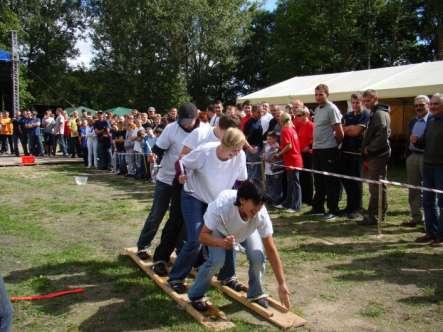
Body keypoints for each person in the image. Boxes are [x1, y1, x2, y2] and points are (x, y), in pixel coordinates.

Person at [187, 181, 291, 311]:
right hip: (220, 231)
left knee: (258, 256)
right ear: (242, 200)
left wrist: (281, 283)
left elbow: (270, 249)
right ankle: (196, 295)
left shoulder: (260, 213)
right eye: (255, 204)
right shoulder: (221, 205)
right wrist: (222, 243)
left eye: (261, 204)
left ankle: (256, 292)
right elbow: (202, 236)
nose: (258, 209)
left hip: (247, 232)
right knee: (217, 261)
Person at [167, 128, 248, 293]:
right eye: (233, 150)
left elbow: (240, 182)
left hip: (217, 201)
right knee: (196, 238)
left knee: (228, 234)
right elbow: (181, 162)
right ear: (223, 144)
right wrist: (180, 175)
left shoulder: (240, 155)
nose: (236, 153)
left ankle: (228, 276)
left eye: (239, 149)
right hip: (194, 196)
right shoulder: (205, 151)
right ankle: (176, 277)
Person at [136, 103, 199, 270]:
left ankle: (179, 249)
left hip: (186, 181)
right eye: (182, 120)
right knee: (157, 213)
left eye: (188, 121)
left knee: (180, 218)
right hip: (166, 178)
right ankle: (143, 245)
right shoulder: (171, 128)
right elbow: (158, 148)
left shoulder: (201, 130)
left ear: (195, 119)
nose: (184, 124)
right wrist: (153, 155)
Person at [310, 84, 344, 220]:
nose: (318, 97)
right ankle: (318, 208)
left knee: (330, 181)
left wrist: (334, 146)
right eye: (316, 94)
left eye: (321, 94)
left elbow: (339, 132)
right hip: (317, 149)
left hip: (329, 150)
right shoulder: (317, 109)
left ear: (327, 94)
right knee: (318, 181)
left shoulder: (332, 108)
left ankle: (333, 210)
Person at [414, 93, 443, 245]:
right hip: (428, 165)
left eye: (436, 104)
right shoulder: (430, 120)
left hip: (441, 168)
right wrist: (417, 141)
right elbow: (424, 141)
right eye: (431, 104)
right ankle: (430, 232)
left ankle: (441, 236)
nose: (432, 107)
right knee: (427, 201)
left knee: (442, 203)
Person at [359, 89, 391, 226]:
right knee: (374, 187)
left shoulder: (379, 113)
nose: (366, 103)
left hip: (377, 155)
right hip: (374, 156)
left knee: (377, 187)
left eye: (368, 100)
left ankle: (376, 216)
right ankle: (373, 214)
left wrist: (369, 149)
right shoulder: (375, 113)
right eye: (364, 101)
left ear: (375, 98)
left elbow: (382, 135)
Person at [339, 93, 370, 219]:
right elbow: (340, 130)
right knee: (347, 181)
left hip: (357, 153)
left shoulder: (366, 114)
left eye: (358, 102)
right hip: (345, 152)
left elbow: (357, 131)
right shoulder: (347, 115)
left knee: (356, 182)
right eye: (353, 103)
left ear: (362, 102)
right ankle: (349, 206)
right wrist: (348, 129)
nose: (355, 105)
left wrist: (349, 129)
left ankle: (357, 208)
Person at [403, 95, 431, 228]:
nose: (419, 108)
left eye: (422, 105)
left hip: (427, 157)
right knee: (413, 188)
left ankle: (429, 220)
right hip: (412, 156)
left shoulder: (433, 120)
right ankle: (416, 217)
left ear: (428, 105)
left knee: (428, 189)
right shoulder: (412, 121)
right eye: (416, 105)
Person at [274, 112, 303, 212]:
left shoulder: (285, 130)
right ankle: (288, 203)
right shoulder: (292, 129)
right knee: (291, 183)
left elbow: (289, 146)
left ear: (282, 121)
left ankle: (296, 205)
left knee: (294, 183)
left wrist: (279, 154)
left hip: (292, 160)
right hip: (293, 159)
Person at [293, 106, 314, 205]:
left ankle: (309, 198)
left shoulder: (311, 125)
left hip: (308, 154)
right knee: (303, 176)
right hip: (301, 153)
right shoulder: (301, 125)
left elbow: (314, 138)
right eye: (296, 115)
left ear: (306, 115)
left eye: (299, 115)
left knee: (308, 176)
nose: (297, 117)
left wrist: (309, 146)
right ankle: (304, 197)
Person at [243, 104, 263, 184]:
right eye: (258, 112)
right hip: (252, 151)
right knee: (252, 173)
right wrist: (250, 148)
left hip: (258, 149)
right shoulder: (249, 123)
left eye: (261, 112)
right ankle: (251, 191)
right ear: (253, 112)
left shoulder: (258, 120)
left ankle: (256, 191)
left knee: (257, 173)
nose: (260, 114)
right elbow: (244, 138)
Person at [263, 131, 284, 204]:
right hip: (267, 170)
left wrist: (266, 158)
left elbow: (272, 157)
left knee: (276, 186)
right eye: (267, 139)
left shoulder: (277, 146)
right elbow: (263, 155)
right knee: (269, 185)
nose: (268, 141)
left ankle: (277, 200)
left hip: (275, 170)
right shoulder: (266, 146)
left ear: (275, 139)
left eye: (270, 139)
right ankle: (270, 199)